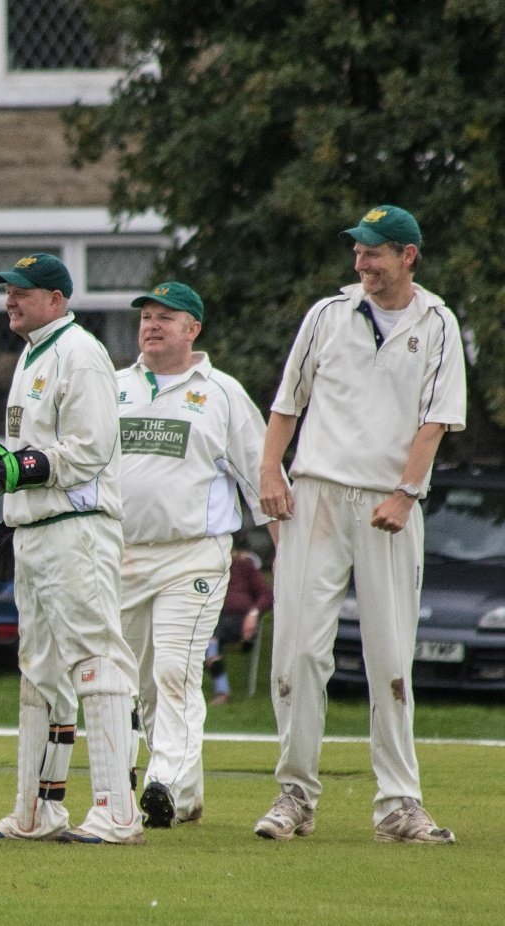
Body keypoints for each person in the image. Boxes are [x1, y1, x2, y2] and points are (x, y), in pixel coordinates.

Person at [256, 204, 465, 845]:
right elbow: (288, 401)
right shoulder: (326, 314)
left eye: (374, 251)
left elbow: (436, 420)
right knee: (297, 648)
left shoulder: (437, 323)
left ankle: (399, 804)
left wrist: (406, 493)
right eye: (358, 250)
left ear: (409, 256)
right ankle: (294, 795)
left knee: (390, 654)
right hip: (316, 493)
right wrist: (271, 471)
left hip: (388, 505)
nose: (361, 261)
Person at [0, 252, 143, 845]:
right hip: (39, 530)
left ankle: (118, 812)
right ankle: (36, 812)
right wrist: (9, 516)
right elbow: (31, 458)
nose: (10, 299)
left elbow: (90, 450)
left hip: (79, 525)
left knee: (96, 659)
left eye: (23, 290)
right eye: (7, 290)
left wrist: (18, 470)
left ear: (57, 300)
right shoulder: (33, 355)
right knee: (39, 671)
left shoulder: (80, 353)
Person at [114, 281, 274, 829]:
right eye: (147, 317)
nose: (152, 325)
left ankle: (161, 781)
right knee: (137, 682)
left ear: (193, 329)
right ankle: (187, 797)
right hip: (124, 556)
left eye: (166, 317)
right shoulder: (113, 388)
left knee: (177, 671)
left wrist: (287, 549)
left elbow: (263, 480)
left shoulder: (223, 394)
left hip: (194, 557)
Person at [205, 542, 272, 705]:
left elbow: (266, 596)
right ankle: (221, 688)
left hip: (240, 622)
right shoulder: (207, 567)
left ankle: (222, 689)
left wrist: (254, 614)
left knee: (209, 638)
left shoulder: (244, 565)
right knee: (206, 633)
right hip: (214, 619)